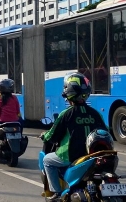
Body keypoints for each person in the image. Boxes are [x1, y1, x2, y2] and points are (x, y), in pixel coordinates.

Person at [41, 73, 107, 201]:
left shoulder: (66, 114)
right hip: (93, 155)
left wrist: (44, 136)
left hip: (71, 156)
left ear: (68, 92)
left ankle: (57, 192)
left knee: (47, 161)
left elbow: (53, 135)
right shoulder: (96, 113)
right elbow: (105, 132)